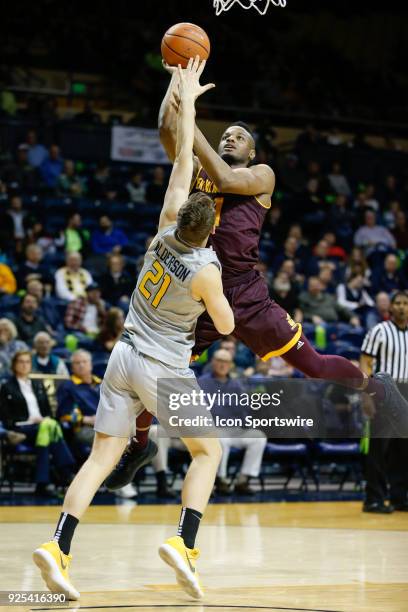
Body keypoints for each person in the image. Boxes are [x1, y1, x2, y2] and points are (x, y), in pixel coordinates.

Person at [111, 60, 408, 496]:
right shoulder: (197, 173)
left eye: (239, 137)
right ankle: (138, 447)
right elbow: (165, 128)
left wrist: (191, 120)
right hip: (200, 294)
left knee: (313, 365)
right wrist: (177, 82)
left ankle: (372, 385)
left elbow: (225, 175)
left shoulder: (259, 175)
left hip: (247, 294)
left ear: (253, 152)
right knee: (156, 372)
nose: (229, 138)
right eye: (225, 134)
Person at [34, 58, 233, 602]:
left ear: (181, 217)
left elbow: (183, 160)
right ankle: (184, 543)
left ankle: (57, 547)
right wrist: (220, 285)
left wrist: (185, 96)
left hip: (122, 357)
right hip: (164, 368)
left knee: (102, 458)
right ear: (210, 224)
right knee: (208, 452)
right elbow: (225, 323)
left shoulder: (162, 232)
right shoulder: (204, 269)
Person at [0, 350, 74, 496]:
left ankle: (43, 483)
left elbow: (47, 411)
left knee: (46, 428)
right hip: (21, 428)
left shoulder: (38, 385)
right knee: (49, 427)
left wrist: (44, 420)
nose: (24, 365)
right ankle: (67, 472)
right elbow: (5, 416)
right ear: (14, 365)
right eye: (20, 362)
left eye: (27, 362)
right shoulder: (7, 387)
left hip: (41, 426)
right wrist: (28, 421)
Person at [360, 291, 408, 513]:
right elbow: (365, 363)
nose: (401, 307)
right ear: (390, 307)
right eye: (397, 303)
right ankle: (374, 499)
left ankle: (399, 497)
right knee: (380, 447)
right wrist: (366, 395)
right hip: (385, 392)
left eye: (405, 303)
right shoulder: (379, 331)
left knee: (403, 448)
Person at [199, 349, 267, 495]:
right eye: (219, 360)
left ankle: (243, 480)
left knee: (258, 437)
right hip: (214, 430)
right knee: (220, 439)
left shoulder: (237, 384)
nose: (222, 364)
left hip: (236, 429)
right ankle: (221, 480)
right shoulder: (202, 382)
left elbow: (245, 409)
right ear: (213, 362)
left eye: (226, 361)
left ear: (231, 365)